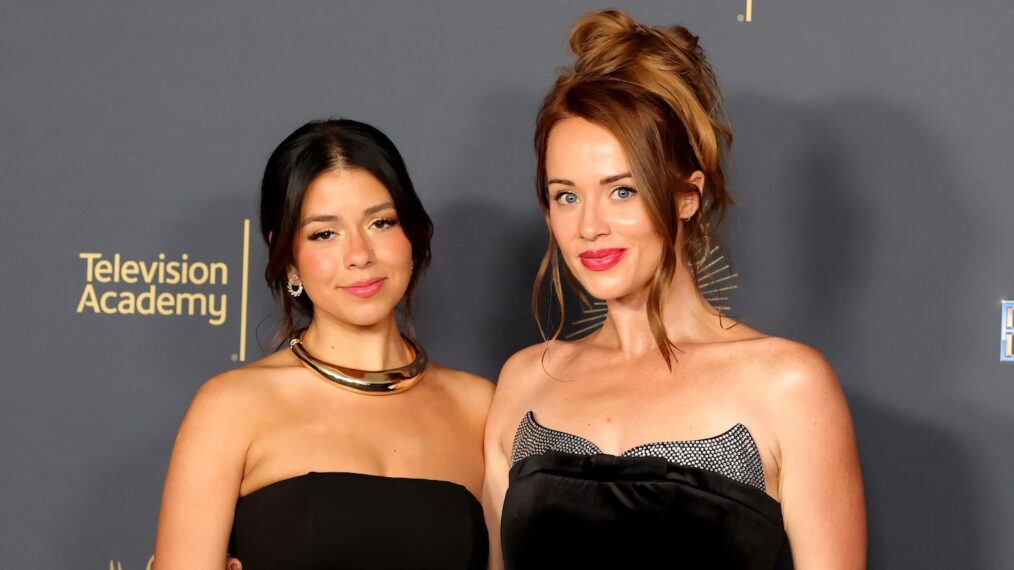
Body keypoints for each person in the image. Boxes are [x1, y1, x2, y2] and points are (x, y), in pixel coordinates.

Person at [482, 9, 866, 569]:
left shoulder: (788, 386)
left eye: (621, 191)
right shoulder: (524, 383)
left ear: (687, 194)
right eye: (566, 195)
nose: (589, 225)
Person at [153, 119, 492, 570]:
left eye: (381, 222)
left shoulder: (480, 408)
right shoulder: (230, 408)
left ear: (411, 233)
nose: (359, 254)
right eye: (324, 233)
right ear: (287, 256)